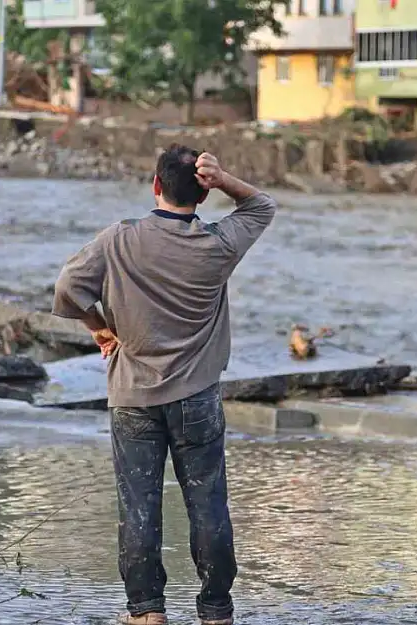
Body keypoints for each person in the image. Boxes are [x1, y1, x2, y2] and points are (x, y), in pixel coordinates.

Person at [51, 145, 277, 625]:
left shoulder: (118, 239)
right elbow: (261, 206)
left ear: (155, 186)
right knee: (208, 501)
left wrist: (99, 326)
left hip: (132, 396)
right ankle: (215, 611)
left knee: (138, 505)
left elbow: (68, 290)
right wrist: (225, 179)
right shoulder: (218, 245)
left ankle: (146, 613)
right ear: (203, 192)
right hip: (198, 397)